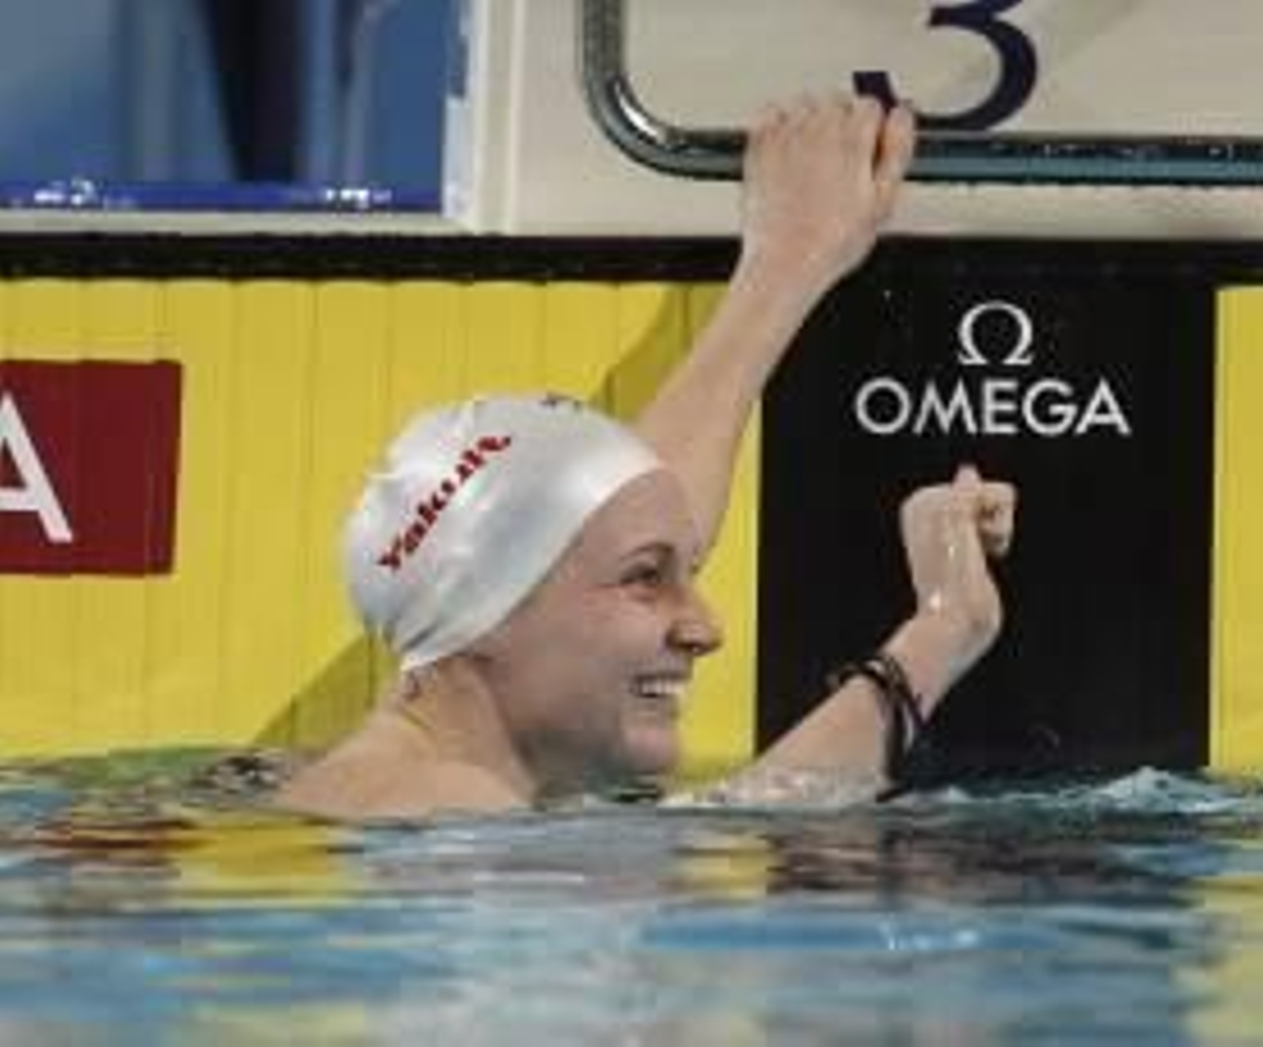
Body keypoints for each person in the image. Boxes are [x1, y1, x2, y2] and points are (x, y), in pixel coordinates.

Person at [275, 95, 1018, 820]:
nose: (705, 630)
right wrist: (943, 631)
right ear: (487, 612)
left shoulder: (408, 776)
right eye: (646, 578)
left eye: (680, 574)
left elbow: (610, 521)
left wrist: (787, 261)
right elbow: (721, 853)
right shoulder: (435, 804)